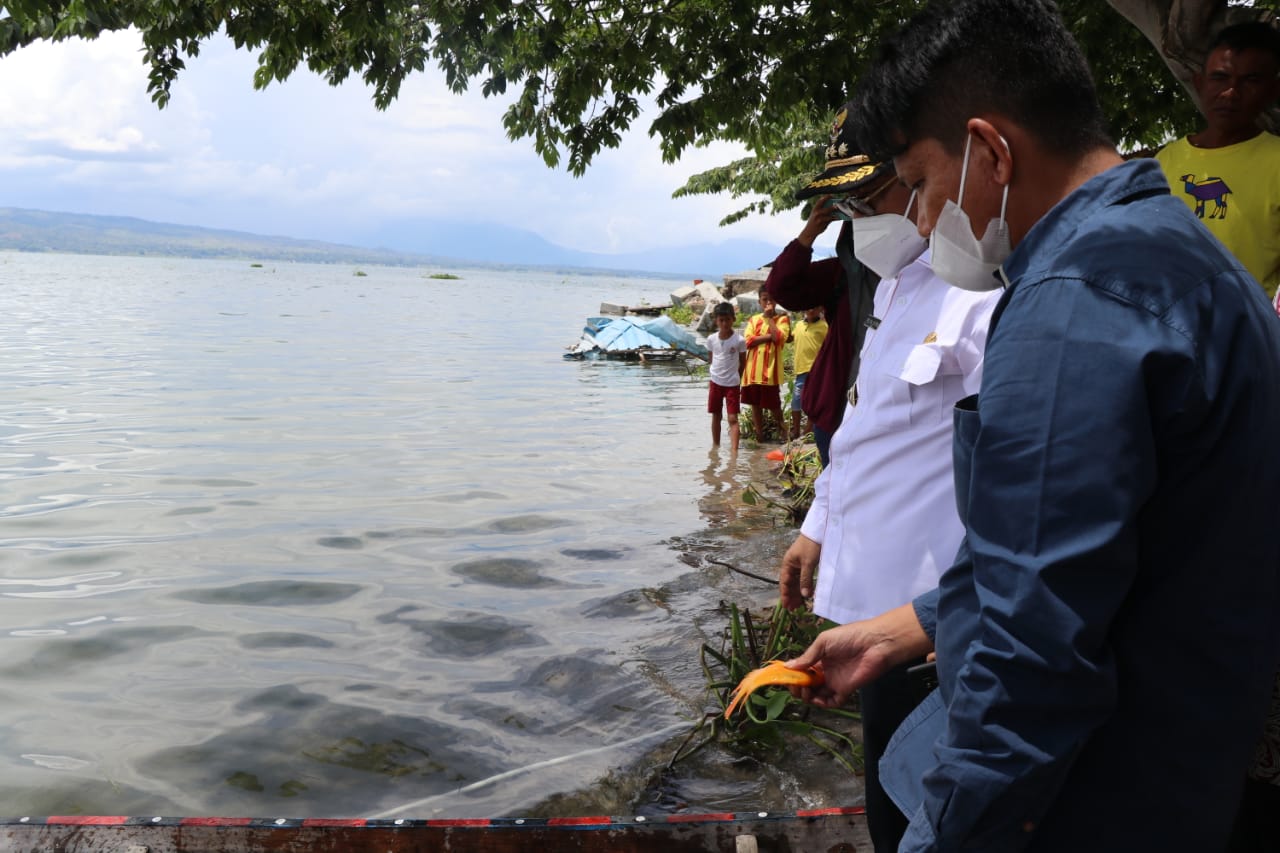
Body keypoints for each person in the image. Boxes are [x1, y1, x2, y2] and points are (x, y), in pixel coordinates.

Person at [784, 1, 1280, 851]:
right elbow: (1092, 544)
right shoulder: (1180, 257)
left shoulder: (1073, 307)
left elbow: (1031, 663)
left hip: (1090, 797)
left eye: (926, 185)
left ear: (990, 151)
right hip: (1187, 768)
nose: (928, 219)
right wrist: (912, 627)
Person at [777, 161, 1000, 850]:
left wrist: (954, 616)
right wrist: (817, 525)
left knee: (922, 812)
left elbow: (1013, 470)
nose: (863, 217)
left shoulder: (980, 292)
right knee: (886, 795)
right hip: (873, 613)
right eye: (851, 203)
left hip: (929, 620)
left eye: (875, 195)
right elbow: (863, 427)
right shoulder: (895, 287)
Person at [765, 106, 893, 465]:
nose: (857, 206)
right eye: (848, 199)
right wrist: (810, 231)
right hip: (833, 415)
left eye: (862, 194)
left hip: (882, 422)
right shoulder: (843, 272)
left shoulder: (923, 273)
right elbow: (783, 287)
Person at [1155, 20, 1280, 298]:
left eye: (1251, 81)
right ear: (1200, 83)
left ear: (1273, 91)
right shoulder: (1165, 162)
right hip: (1167, 327)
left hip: (1246, 333)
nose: (1231, 93)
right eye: (1220, 78)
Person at [740, 292, 790, 442]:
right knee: (755, 405)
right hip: (752, 370)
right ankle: (759, 436)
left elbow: (779, 338)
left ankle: (784, 433)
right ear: (759, 301)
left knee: (774, 405)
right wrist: (769, 337)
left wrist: (769, 319)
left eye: (771, 299)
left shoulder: (782, 319)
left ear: (776, 301)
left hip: (770, 370)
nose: (768, 302)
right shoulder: (753, 319)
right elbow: (747, 342)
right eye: (764, 299)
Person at [705, 301, 747, 454]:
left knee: (732, 418)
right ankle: (715, 447)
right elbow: (712, 358)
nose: (724, 323)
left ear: (733, 319)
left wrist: (738, 378)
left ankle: (734, 453)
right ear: (716, 321)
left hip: (732, 384)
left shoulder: (739, 340)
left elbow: (743, 362)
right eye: (721, 320)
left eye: (727, 319)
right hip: (715, 382)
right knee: (716, 415)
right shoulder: (711, 339)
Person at [788, 305, 827, 441]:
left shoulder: (824, 327)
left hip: (816, 371)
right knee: (796, 401)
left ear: (820, 309)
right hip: (800, 370)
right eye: (808, 306)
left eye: (814, 307)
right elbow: (789, 338)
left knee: (813, 401)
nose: (810, 310)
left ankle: (807, 431)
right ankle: (796, 430)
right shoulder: (798, 325)